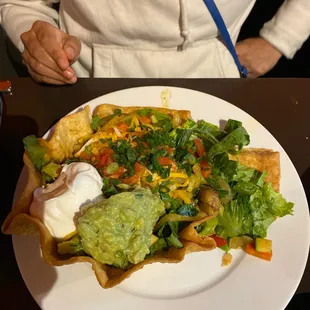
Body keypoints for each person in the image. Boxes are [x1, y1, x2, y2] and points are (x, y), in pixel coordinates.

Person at [0, 0, 309, 84]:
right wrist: (33, 29)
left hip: (214, 65)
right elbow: (21, 2)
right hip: (85, 70)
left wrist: (280, 39)